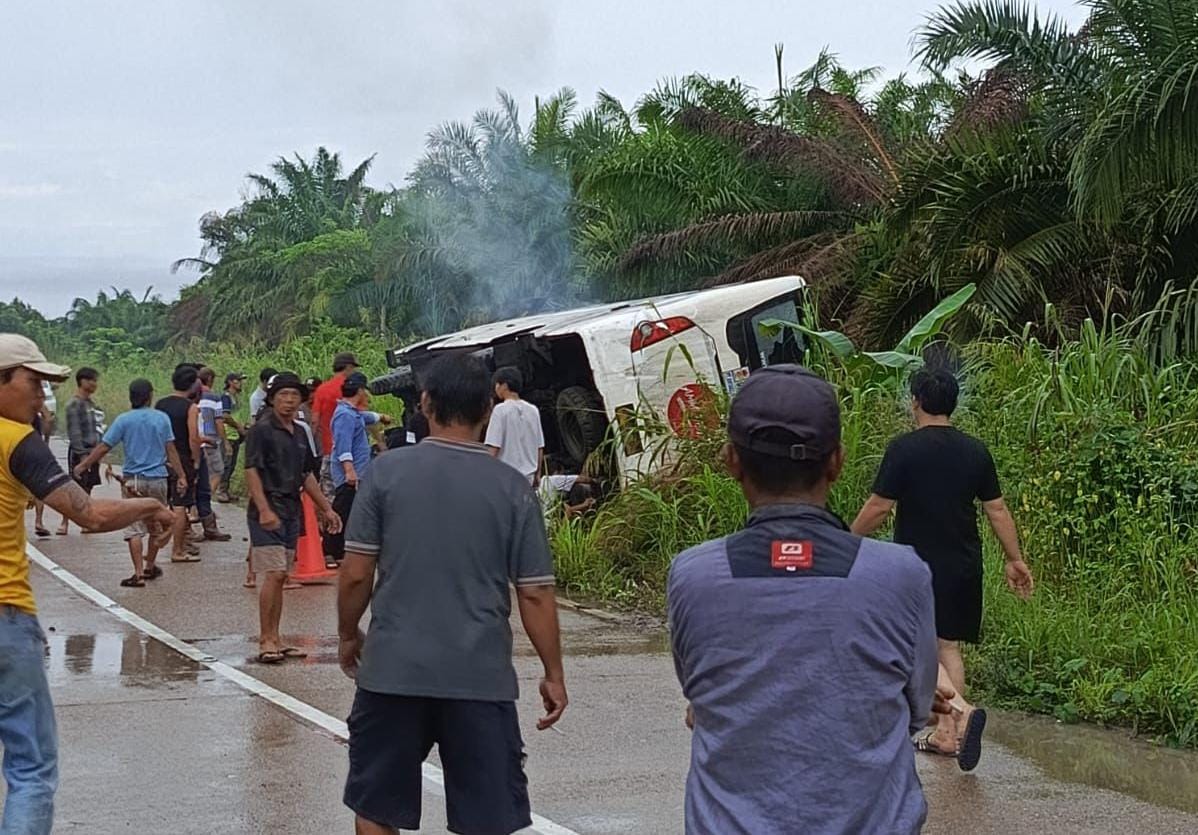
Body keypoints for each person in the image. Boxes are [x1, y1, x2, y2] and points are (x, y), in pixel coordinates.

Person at [668, 365, 951, 834]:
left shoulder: (694, 575)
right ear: (836, 462)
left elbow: (700, 691)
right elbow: (918, 708)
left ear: (731, 461)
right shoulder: (901, 574)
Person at [338, 353, 566, 835]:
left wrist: (346, 635)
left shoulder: (384, 473)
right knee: (487, 818)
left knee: (377, 808)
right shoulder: (512, 489)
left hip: (392, 674)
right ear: (488, 409)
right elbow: (536, 594)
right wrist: (553, 673)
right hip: (480, 680)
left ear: (424, 403)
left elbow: (356, 574)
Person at [0, 334, 175, 835]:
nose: (40, 398)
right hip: (5, 615)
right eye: (32, 384)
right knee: (30, 770)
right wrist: (149, 505)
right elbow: (91, 515)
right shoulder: (16, 441)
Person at [852, 367, 1034, 770]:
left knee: (913, 646)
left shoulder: (903, 449)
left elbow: (880, 508)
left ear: (915, 401)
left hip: (916, 567)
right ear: (953, 403)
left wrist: (845, 541)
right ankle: (947, 737)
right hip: (964, 563)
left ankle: (961, 712)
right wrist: (1014, 558)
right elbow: (997, 509)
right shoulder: (975, 450)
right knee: (946, 645)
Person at [244, 372, 341, 664]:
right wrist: (263, 509)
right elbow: (251, 470)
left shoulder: (301, 432)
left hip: (291, 509)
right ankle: (266, 640)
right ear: (272, 399)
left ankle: (276, 637)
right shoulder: (261, 430)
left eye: (294, 395)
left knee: (283, 574)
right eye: (283, 395)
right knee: (273, 575)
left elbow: (306, 474)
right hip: (268, 508)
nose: (288, 400)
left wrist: (326, 508)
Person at [73, 380, 188, 587]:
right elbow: (171, 449)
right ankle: (150, 565)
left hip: (132, 481)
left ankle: (137, 573)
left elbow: (104, 447)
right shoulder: (161, 419)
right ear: (149, 396)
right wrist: (181, 475)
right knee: (157, 524)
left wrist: (85, 465)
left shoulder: (123, 420)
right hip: (158, 479)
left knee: (134, 526)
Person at [325, 372, 390, 567]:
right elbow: (343, 445)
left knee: (352, 510)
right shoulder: (344, 415)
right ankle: (329, 550)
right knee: (342, 510)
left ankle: (339, 550)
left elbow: (365, 417)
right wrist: (349, 470)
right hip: (349, 474)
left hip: (358, 472)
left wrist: (381, 416)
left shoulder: (351, 412)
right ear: (360, 391)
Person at [155, 366, 205, 562]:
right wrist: (196, 460)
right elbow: (193, 437)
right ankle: (177, 549)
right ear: (192, 386)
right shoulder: (190, 408)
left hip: (162, 457)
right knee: (181, 504)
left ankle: (157, 544)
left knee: (164, 502)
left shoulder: (160, 404)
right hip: (182, 458)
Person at [57, 367, 104, 536]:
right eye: (91, 380)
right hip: (80, 452)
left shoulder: (92, 404)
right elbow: (74, 432)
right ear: (82, 381)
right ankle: (65, 522)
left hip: (93, 451)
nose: (94, 384)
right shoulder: (73, 404)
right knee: (75, 487)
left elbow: (98, 428)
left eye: (95, 380)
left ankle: (85, 521)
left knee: (88, 487)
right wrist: (83, 455)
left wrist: (98, 454)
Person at [484, 367, 544, 486]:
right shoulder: (533, 410)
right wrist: (538, 473)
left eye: (497, 385)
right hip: (529, 477)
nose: (495, 389)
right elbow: (539, 446)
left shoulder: (500, 410)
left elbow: (493, 447)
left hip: (507, 478)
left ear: (504, 386)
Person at [311, 352, 358, 499]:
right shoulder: (353, 389)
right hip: (352, 452)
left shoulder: (322, 389)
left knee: (330, 495)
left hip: (329, 450)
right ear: (348, 367)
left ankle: (332, 520)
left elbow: (314, 420)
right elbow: (362, 417)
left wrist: (311, 448)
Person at [217, 372, 247, 502]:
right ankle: (221, 490)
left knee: (232, 464)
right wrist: (238, 426)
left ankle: (226, 490)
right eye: (238, 381)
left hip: (235, 435)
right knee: (226, 463)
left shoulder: (236, 398)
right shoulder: (226, 397)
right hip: (228, 434)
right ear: (230, 382)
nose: (240, 383)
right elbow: (225, 416)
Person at [197, 367, 226, 499]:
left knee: (200, 474)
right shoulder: (214, 398)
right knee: (217, 471)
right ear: (209, 379)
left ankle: (197, 503)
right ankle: (205, 501)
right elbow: (219, 421)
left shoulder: (193, 396)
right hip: (211, 439)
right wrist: (223, 440)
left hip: (196, 439)